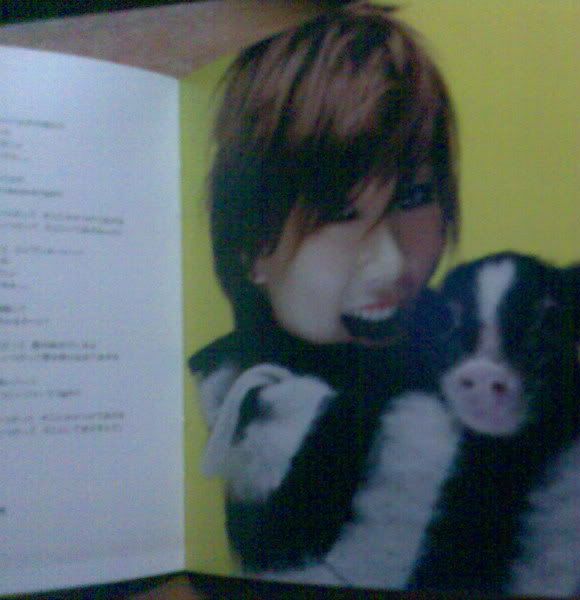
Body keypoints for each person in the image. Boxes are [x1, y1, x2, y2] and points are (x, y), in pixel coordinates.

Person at [188, 2, 459, 575]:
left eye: (413, 199)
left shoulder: (483, 374)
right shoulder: (211, 415)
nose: (391, 263)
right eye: (339, 214)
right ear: (252, 245)